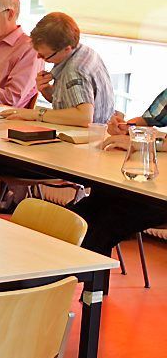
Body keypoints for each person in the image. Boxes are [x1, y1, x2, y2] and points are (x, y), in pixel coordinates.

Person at [70, 89, 167, 256]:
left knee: (104, 224)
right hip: (147, 183)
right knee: (72, 217)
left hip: (159, 196)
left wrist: (140, 141)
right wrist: (125, 128)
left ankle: (70, 276)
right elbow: (147, 120)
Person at [0, 12, 114, 127]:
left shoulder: (74, 70)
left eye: (45, 56)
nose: (39, 57)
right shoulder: (83, 51)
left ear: (66, 49)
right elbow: (71, 105)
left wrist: (35, 114)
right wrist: (47, 90)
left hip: (83, 138)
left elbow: (84, 117)